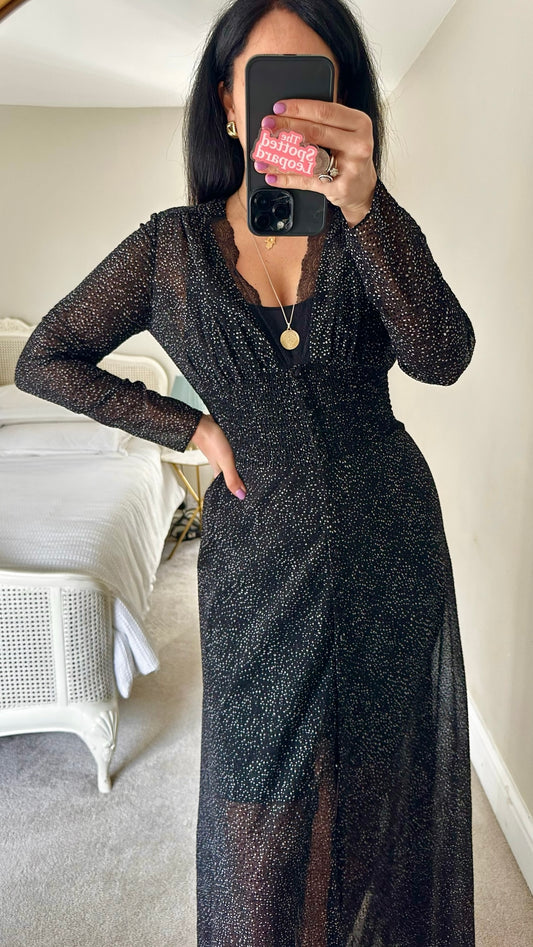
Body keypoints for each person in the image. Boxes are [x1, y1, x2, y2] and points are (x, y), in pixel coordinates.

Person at [14, 0, 477, 943]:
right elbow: (44, 357)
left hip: (389, 546)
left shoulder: (369, 228)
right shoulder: (170, 248)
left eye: (316, 84)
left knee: (381, 803)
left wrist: (364, 203)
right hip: (256, 562)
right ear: (228, 104)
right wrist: (188, 425)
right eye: (268, 83)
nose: (290, 109)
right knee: (258, 814)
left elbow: (442, 355)